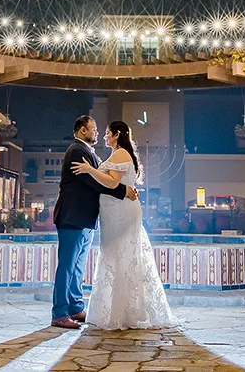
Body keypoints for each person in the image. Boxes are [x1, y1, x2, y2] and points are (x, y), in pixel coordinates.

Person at [72, 120, 176, 330]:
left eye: (107, 133)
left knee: (121, 256)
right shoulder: (117, 154)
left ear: (117, 135)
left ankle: (124, 312)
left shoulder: (120, 154)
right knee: (116, 257)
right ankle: (120, 310)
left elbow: (111, 183)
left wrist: (88, 169)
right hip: (114, 212)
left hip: (121, 212)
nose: (104, 136)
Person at [51, 115, 139, 329]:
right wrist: (123, 190)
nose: (98, 133)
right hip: (73, 216)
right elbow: (93, 182)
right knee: (67, 266)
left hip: (85, 217)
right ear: (82, 130)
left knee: (78, 266)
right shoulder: (76, 151)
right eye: (94, 129)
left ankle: (75, 307)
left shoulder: (88, 152)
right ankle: (60, 313)